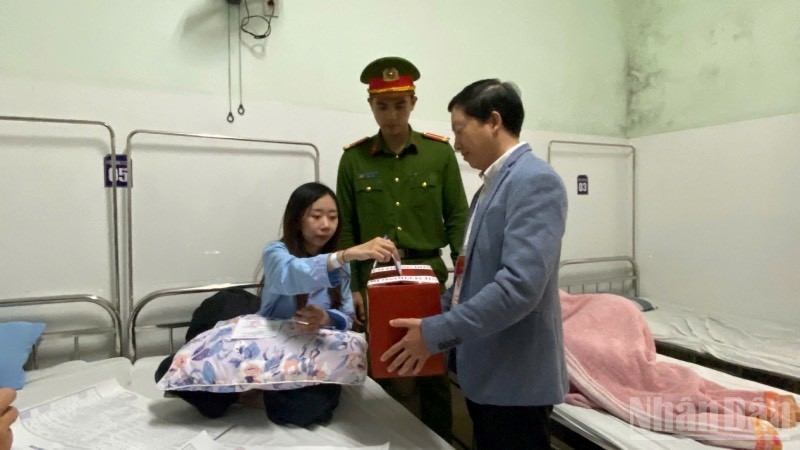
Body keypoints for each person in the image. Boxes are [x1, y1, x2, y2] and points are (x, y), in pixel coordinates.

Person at [381, 79, 569, 449]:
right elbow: (469, 279)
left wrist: (435, 332)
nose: (455, 143)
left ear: (493, 122)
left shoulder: (535, 180)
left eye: (459, 129)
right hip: (487, 372)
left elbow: (518, 289)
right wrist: (421, 314)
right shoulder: (489, 188)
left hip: (516, 381)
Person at [156, 182, 398, 427]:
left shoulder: (341, 266)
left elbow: (345, 315)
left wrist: (325, 318)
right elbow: (292, 274)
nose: (326, 225)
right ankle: (245, 390)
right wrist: (345, 255)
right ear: (297, 219)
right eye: (316, 216)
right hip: (269, 341)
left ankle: (254, 393)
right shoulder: (276, 252)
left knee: (309, 409)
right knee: (173, 370)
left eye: (332, 217)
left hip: (309, 349)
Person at [336, 56, 468, 442]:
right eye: (382, 106)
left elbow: (457, 218)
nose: (391, 115)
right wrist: (352, 287)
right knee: (382, 367)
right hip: (375, 278)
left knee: (433, 369)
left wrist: (465, 278)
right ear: (371, 105)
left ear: (413, 102)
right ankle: (385, 442)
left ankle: (440, 441)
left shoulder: (438, 154)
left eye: (399, 105)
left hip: (427, 276)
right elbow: (347, 229)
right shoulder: (354, 159)